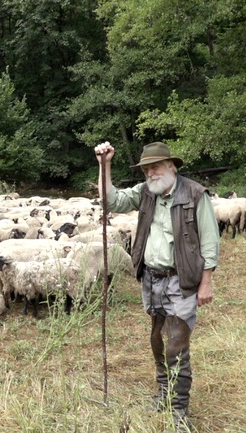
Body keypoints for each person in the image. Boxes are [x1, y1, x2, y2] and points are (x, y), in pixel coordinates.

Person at [94, 141, 219, 433]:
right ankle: (163, 393)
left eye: (156, 167)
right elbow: (111, 201)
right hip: (152, 277)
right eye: (146, 168)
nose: (151, 173)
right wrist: (105, 165)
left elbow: (211, 243)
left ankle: (179, 410)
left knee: (177, 343)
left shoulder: (195, 194)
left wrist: (206, 282)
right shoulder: (145, 193)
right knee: (157, 337)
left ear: (171, 166)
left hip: (182, 278)